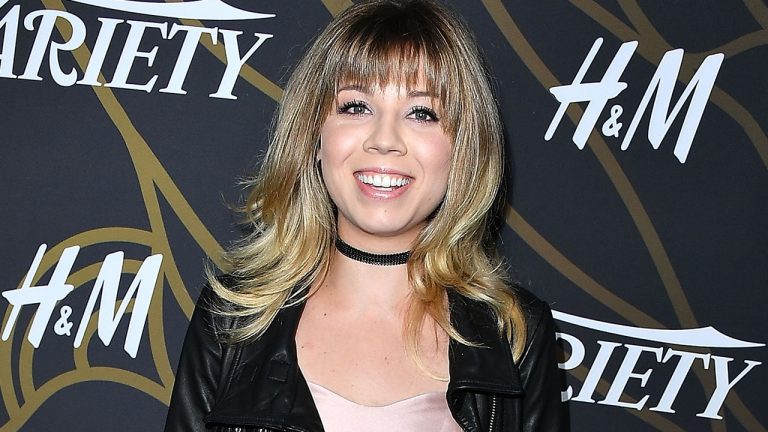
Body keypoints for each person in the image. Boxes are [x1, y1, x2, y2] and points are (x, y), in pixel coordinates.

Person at [165, 1, 564, 431]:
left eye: (422, 113)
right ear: (313, 135)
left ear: (464, 149)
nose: (385, 140)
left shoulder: (515, 333)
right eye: (356, 107)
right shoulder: (232, 318)